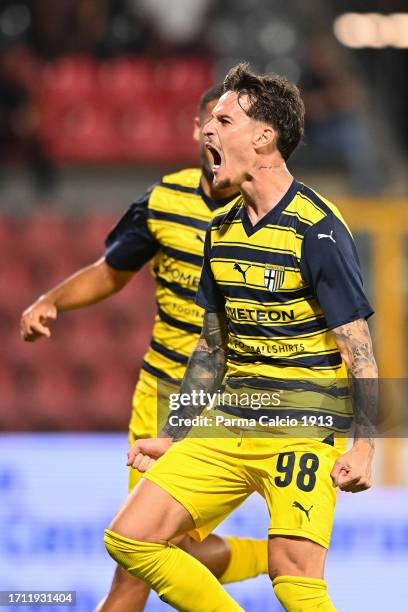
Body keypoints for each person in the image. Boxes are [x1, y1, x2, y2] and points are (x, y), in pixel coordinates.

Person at [104, 63, 378, 611]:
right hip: (230, 418)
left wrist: (368, 444)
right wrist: (178, 432)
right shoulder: (221, 228)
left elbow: (359, 345)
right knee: (130, 537)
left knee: (293, 578)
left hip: (302, 427)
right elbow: (211, 347)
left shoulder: (317, 228)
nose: (206, 130)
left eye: (222, 120)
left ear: (263, 137)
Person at [20, 83, 268, 611]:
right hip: (162, 398)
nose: (216, 135)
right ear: (197, 129)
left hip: (231, 405)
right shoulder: (163, 201)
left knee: (142, 548)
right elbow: (111, 271)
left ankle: (279, 558)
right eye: (211, 123)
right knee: (148, 547)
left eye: (231, 125)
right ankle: (275, 557)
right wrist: (52, 301)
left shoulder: (275, 212)